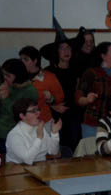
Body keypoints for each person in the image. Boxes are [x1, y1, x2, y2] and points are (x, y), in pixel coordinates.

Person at [75, 42, 111, 138]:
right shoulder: (90, 73)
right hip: (93, 124)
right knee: (91, 152)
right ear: (103, 56)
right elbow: (78, 98)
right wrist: (87, 100)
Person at [40, 18, 82, 153]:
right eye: (62, 48)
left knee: (75, 149)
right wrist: (53, 106)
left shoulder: (76, 70)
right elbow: (39, 96)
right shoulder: (48, 72)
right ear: (56, 52)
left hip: (74, 116)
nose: (66, 51)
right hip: (56, 117)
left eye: (68, 48)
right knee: (58, 149)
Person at [0, 58, 38, 154]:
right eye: (3, 74)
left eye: (8, 75)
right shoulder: (8, 86)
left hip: (15, 136)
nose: (4, 77)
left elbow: (19, 116)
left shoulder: (30, 92)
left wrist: (6, 99)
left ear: (18, 75)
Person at [19, 46, 65, 133]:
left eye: (26, 59)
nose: (22, 62)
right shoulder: (18, 78)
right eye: (21, 59)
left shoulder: (49, 77)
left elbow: (60, 98)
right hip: (23, 122)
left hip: (44, 121)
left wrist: (51, 98)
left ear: (35, 61)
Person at [6, 98, 62, 165]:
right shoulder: (14, 134)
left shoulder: (39, 128)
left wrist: (54, 133)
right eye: (33, 111)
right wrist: (39, 138)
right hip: (19, 171)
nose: (38, 113)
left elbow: (53, 151)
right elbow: (28, 160)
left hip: (41, 169)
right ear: (22, 116)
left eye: (38, 109)